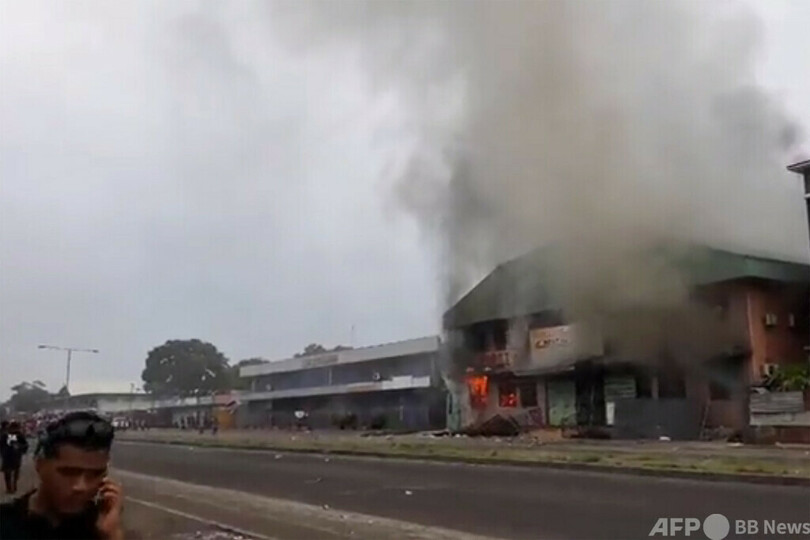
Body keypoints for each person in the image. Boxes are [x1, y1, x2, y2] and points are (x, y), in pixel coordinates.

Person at [0, 411, 124, 540]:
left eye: (95, 474)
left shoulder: (99, 525)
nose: (81, 487)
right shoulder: (6, 524)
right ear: (40, 466)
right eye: (68, 473)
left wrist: (112, 535)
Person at [1, 420, 29, 494]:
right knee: (10, 472)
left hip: (12, 455)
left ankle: (12, 486)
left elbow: (25, 445)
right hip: (9, 455)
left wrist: (19, 447)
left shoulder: (18, 435)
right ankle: (10, 487)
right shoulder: (5, 435)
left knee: (12, 472)